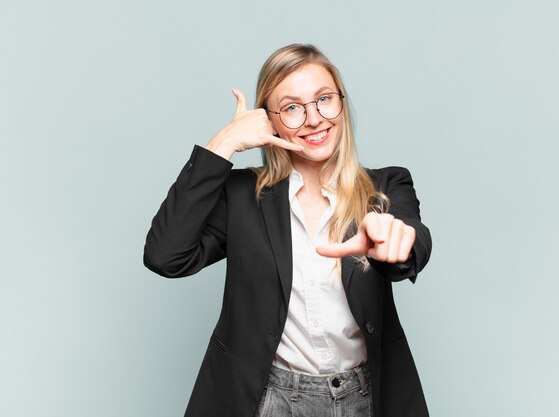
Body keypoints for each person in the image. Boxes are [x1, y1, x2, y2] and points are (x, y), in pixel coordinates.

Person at [143, 44, 432, 417]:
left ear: (341, 104)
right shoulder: (241, 197)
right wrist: (224, 143)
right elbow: (165, 256)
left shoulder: (386, 186)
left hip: (365, 398)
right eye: (293, 108)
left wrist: (395, 242)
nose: (314, 119)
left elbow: (411, 240)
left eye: (324, 99)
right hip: (269, 399)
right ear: (269, 121)